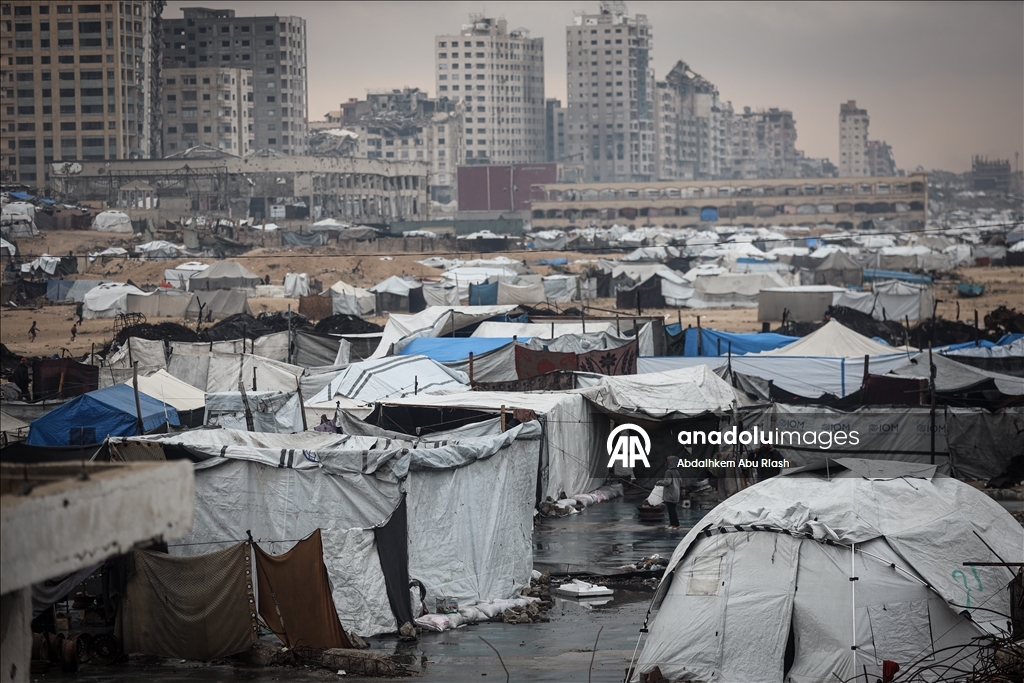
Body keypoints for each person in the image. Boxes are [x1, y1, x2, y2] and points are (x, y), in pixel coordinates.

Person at [656, 456, 684, 529]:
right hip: (676, 493)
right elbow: (680, 481)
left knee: (671, 510)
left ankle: (676, 525)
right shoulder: (676, 472)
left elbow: (667, 482)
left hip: (670, 494)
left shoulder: (668, 472)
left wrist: (659, 482)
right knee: (672, 509)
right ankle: (672, 524)